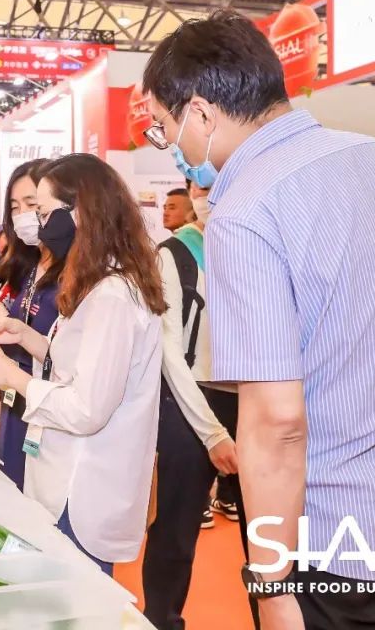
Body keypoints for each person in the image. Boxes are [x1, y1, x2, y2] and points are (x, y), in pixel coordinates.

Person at [142, 10, 375, 629]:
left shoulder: (246, 211)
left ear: (201, 113)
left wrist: (271, 586)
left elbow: (277, 422)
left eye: (164, 129)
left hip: (341, 544)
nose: (173, 148)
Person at [0, 154, 165, 575]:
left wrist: (12, 378)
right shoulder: (96, 281)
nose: (39, 226)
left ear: (81, 213)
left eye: (43, 212)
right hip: (64, 477)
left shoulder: (112, 296)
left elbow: (87, 408)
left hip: (82, 486)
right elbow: (79, 363)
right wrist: (26, 336)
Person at [142, 175, 247, 630]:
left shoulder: (262, 247)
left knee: (269, 538)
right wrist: (211, 432)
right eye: (201, 188)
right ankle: (161, 621)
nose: (210, 197)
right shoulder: (175, 253)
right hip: (191, 401)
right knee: (176, 529)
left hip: (257, 402)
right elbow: (169, 349)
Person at [0, 159, 62, 491]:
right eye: (15, 207)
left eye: (32, 205)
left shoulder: (76, 275)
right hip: (16, 402)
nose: (23, 215)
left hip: (49, 412)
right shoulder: (30, 265)